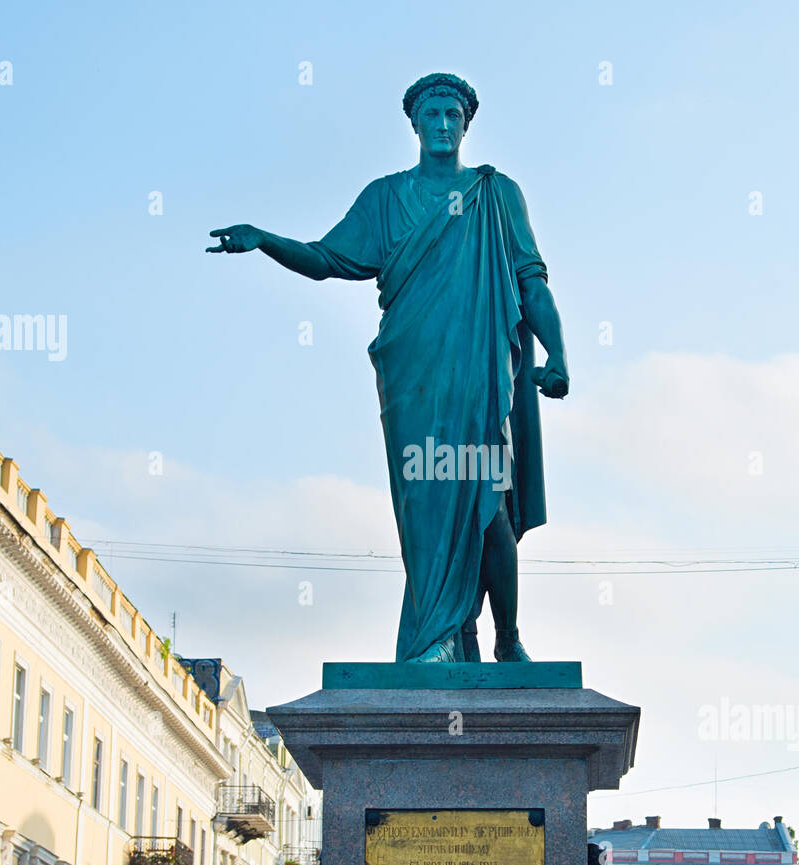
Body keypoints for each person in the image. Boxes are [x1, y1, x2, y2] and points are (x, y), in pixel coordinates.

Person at [208, 72, 569, 663]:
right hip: (412, 376)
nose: (443, 125)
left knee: (487, 501)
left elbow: (531, 281)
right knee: (426, 505)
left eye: (453, 115)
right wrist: (265, 239)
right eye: (433, 116)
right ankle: (449, 637)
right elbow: (328, 259)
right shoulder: (386, 198)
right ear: (415, 125)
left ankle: (506, 638)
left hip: (477, 371)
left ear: (467, 124)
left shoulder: (495, 194)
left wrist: (558, 354)